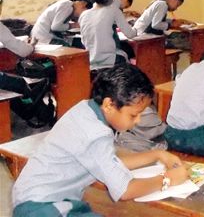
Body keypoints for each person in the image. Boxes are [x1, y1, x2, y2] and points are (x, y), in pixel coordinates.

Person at [11, 64, 189, 217]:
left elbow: (109, 162)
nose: (138, 121)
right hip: (42, 208)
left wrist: (157, 155)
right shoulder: (95, 134)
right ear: (109, 105)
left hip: (36, 200)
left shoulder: (86, 109)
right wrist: (167, 179)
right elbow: (125, 190)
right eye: (133, 115)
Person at [79, 0, 137, 70]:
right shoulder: (113, 11)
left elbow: (83, 41)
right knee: (127, 59)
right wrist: (137, 28)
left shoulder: (84, 14)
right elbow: (130, 34)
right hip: (109, 60)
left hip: (90, 61)